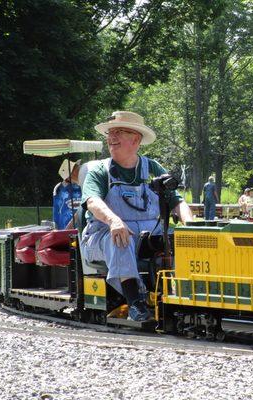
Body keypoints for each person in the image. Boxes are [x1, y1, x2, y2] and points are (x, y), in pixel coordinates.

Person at [80, 111, 193, 322]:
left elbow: (177, 202)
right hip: (104, 233)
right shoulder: (100, 171)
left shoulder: (153, 168)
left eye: (119, 132)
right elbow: (93, 202)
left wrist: (192, 227)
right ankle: (135, 302)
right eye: (109, 132)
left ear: (136, 139)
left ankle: (186, 293)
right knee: (121, 239)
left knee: (182, 239)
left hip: (149, 232)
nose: (111, 137)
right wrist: (114, 221)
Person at [52, 159, 82, 230]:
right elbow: (56, 214)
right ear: (71, 175)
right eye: (76, 169)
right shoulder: (60, 190)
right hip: (68, 232)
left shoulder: (83, 185)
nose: (79, 170)